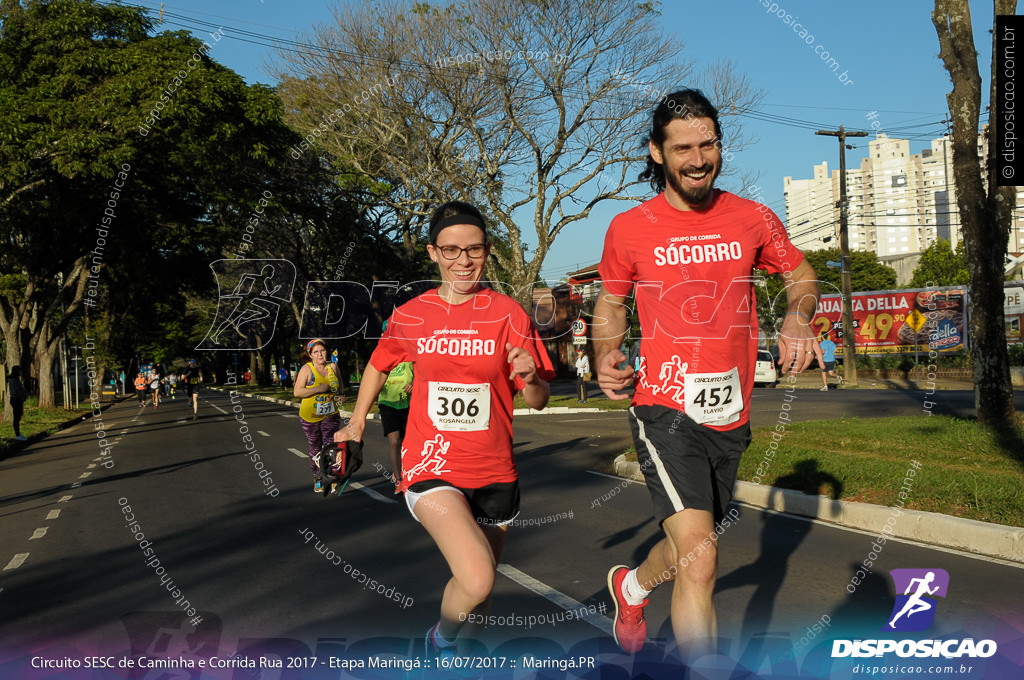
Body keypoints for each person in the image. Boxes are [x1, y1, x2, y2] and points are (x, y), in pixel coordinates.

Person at [593, 89, 820, 662]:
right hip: (664, 408)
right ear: (656, 153)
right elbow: (613, 303)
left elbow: (802, 274)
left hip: (730, 412)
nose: (698, 159)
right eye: (683, 148)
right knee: (703, 556)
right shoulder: (629, 227)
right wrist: (605, 352)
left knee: (689, 548)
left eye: (708, 144)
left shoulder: (753, 217)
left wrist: (797, 317)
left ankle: (633, 586)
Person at [335, 200, 554, 659]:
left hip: (495, 470)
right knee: (477, 576)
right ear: (433, 253)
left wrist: (531, 378)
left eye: (473, 250)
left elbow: (537, 399)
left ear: (487, 251)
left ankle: (461, 663)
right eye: (451, 251)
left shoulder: (507, 313)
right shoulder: (414, 313)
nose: (463, 261)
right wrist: (355, 424)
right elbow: (378, 365)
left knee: (481, 592)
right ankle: (440, 642)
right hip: (431, 464)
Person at [294, 339, 344, 492]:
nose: (320, 354)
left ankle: (335, 477)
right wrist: (318, 388)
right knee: (315, 448)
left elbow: (340, 382)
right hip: (310, 417)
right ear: (310, 355)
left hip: (331, 413)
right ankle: (317, 477)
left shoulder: (333, 367)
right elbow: (297, 392)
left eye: (322, 350)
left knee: (331, 446)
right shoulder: (306, 370)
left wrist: (341, 394)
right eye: (316, 352)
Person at [377, 321, 413, 494]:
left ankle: (410, 475)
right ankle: (398, 479)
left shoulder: (410, 351)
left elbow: (421, 372)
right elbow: (373, 378)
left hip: (408, 402)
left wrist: (414, 383)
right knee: (395, 440)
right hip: (388, 402)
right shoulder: (381, 353)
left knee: (408, 443)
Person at [7, 366, 29, 441]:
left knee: (18, 417)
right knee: (16, 417)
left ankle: (19, 433)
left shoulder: (17, 380)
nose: (20, 373)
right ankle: (17, 434)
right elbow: (16, 391)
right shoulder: (13, 380)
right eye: (19, 371)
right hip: (16, 399)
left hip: (19, 399)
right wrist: (23, 396)